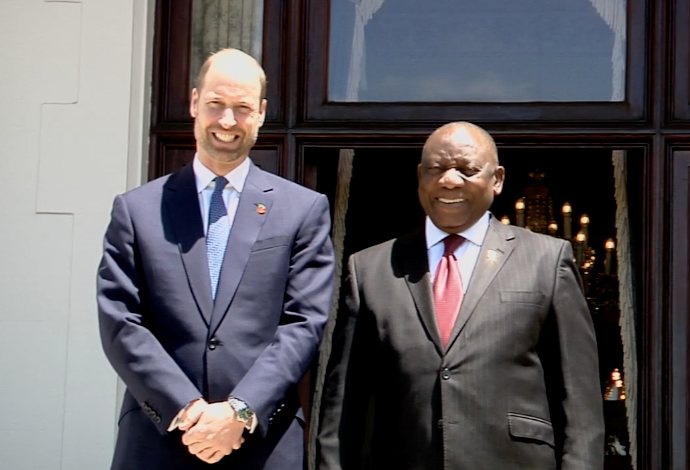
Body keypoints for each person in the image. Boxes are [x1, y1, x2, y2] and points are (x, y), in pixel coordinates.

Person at [317, 121, 604, 469]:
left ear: (497, 179)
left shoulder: (547, 259)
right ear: (420, 176)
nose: (450, 181)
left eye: (467, 170)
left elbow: (580, 399)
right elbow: (343, 406)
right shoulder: (370, 268)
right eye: (436, 169)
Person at [98, 48, 335, 469]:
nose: (227, 121)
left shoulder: (302, 210)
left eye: (242, 108)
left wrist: (239, 411)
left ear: (261, 113)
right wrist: (189, 411)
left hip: (263, 445)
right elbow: (120, 322)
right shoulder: (136, 211)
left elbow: (304, 324)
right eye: (215, 104)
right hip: (159, 442)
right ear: (193, 103)